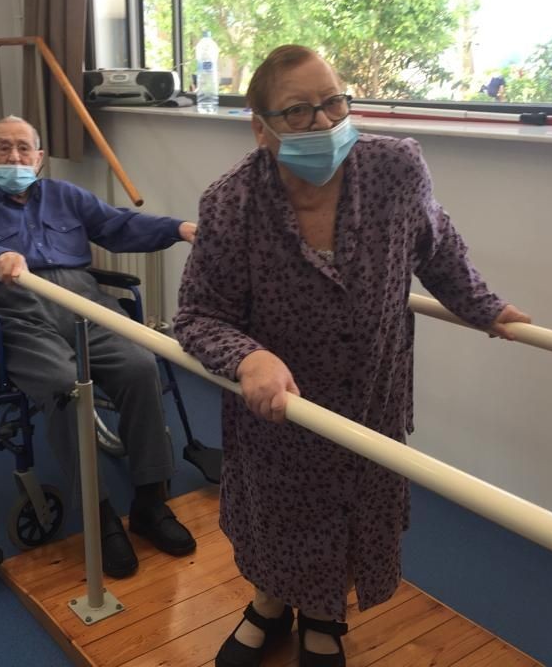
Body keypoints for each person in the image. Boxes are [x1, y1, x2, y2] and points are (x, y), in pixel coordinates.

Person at [172, 46, 530, 667]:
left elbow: (436, 245)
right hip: (280, 406)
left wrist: (484, 307)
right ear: (260, 128)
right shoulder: (233, 203)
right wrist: (250, 358)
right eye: (298, 111)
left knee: (349, 509)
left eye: (334, 102)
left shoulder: (395, 168)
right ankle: (267, 606)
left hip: (371, 396)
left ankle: (323, 618)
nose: (324, 122)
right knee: (279, 514)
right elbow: (198, 315)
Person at [0, 115, 198, 578]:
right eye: (4, 148)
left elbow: (119, 225)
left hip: (85, 301)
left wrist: (178, 228)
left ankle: (149, 502)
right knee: (67, 389)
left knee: (141, 365)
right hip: (19, 310)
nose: (15, 157)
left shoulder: (65, 196)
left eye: (24, 148)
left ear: (40, 157)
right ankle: (100, 517)